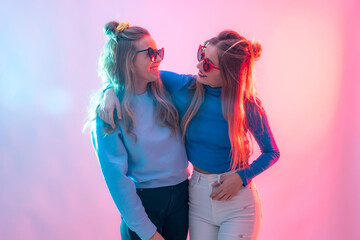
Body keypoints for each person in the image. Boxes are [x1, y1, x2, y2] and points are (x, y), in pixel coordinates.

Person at [100, 30, 280, 240]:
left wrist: (242, 177)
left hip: (237, 201)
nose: (198, 66)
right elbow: (131, 74)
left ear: (229, 73)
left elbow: (272, 152)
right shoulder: (184, 87)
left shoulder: (247, 106)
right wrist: (108, 91)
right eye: (201, 55)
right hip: (197, 197)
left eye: (208, 64)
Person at [84, 21, 189, 240]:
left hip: (182, 197)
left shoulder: (167, 89)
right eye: (150, 53)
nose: (158, 59)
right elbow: (116, 179)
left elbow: (207, 87)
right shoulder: (109, 113)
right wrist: (145, 230)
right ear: (128, 61)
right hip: (143, 204)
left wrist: (109, 87)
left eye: (158, 51)